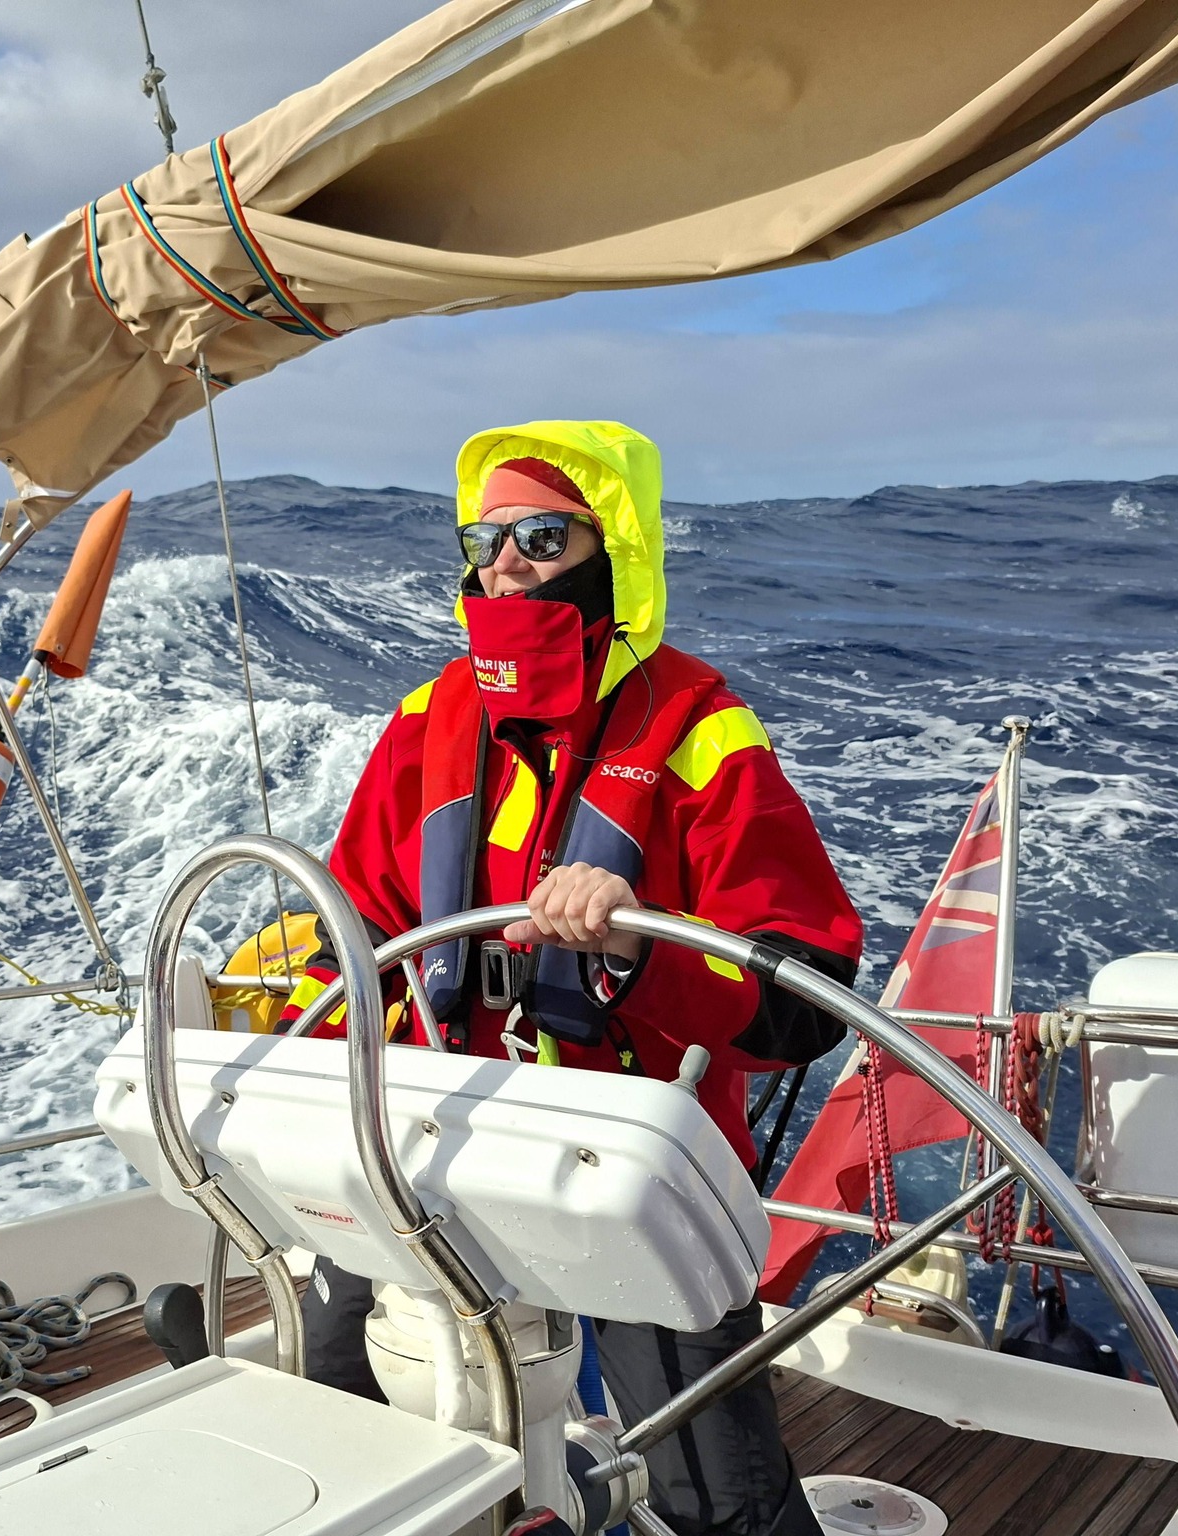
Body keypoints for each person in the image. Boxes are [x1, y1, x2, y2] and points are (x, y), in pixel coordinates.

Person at [280, 420, 862, 1536]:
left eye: (541, 536)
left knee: (713, 1490)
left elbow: (802, 996)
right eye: (485, 538)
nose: (504, 562)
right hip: (435, 1128)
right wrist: (310, 1080)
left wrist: (638, 946)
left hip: (626, 1153)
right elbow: (353, 925)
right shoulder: (426, 721)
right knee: (337, 1388)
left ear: (612, 553)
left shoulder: (700, 728)